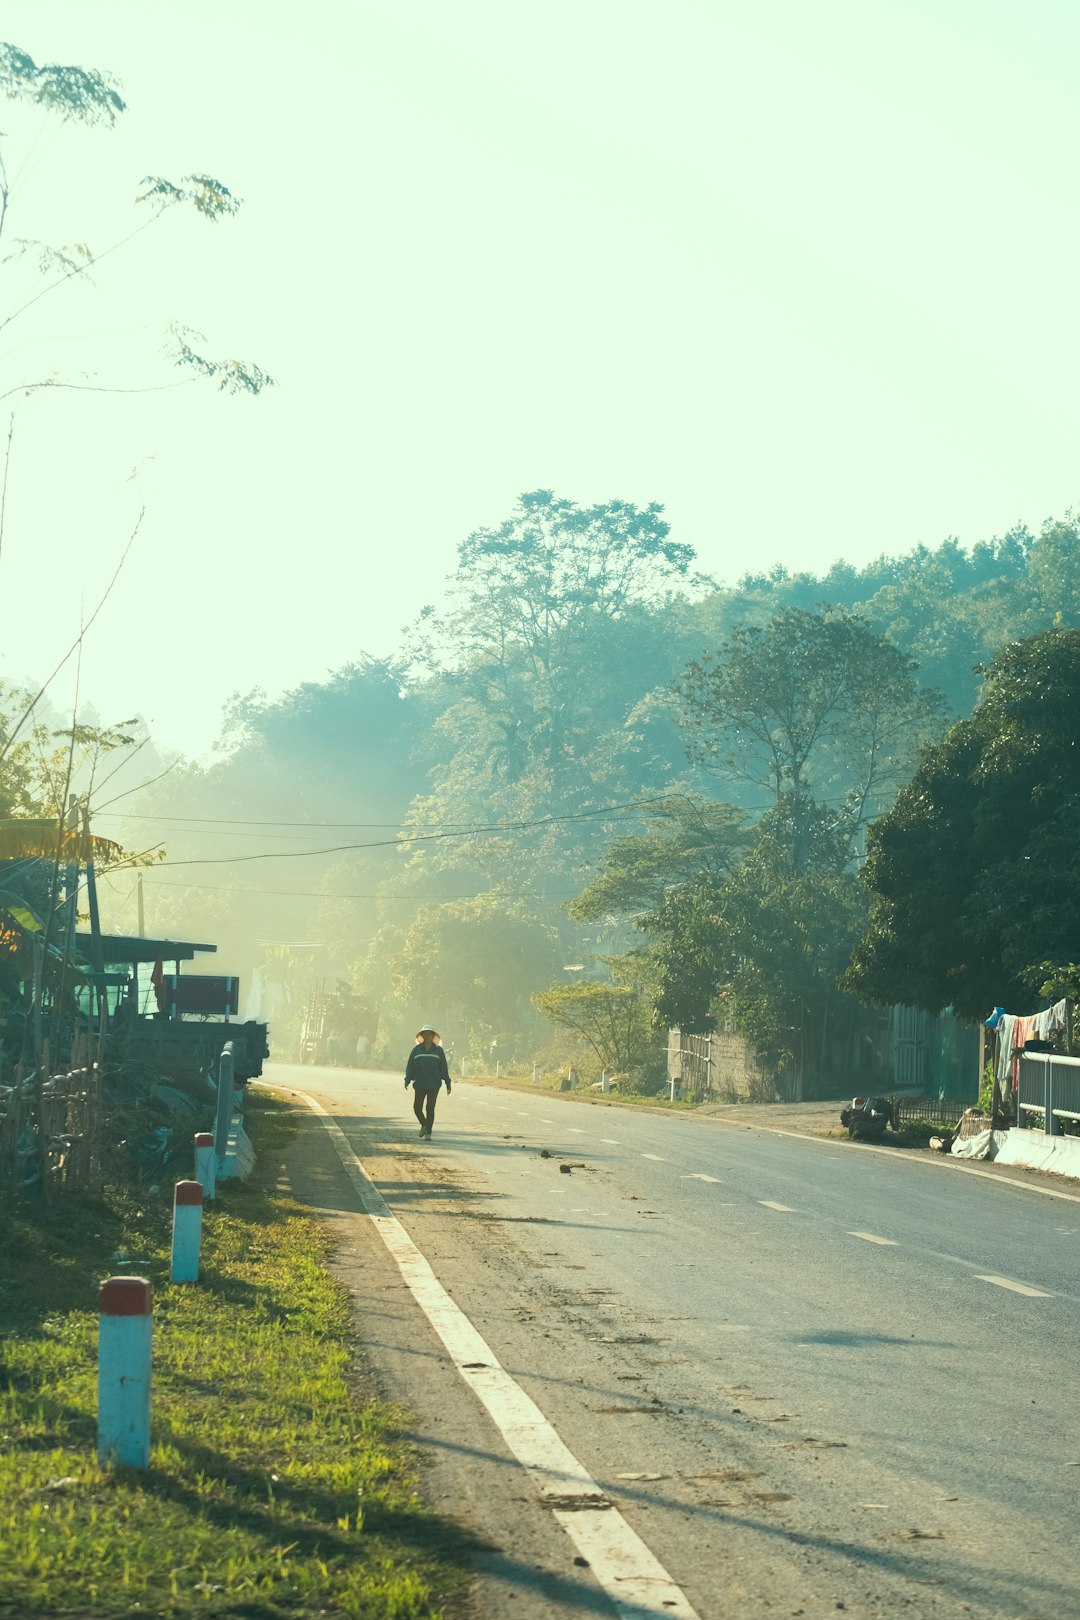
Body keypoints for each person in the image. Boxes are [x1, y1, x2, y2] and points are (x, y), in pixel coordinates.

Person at [404, 1024, 451, 1138]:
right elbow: (410, 1066)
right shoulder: (416, 1050)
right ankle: (424, 1125)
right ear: (422, 1036)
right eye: (425, 1034)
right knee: (417, 1108)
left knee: (430, 1108)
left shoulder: (438, 1051)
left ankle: (428, 1133)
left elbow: (443, 1068)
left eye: (430, 1034)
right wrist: (407, 1079)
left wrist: (448, 1083)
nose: (428, 1036)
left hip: (434, 1084)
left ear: (433, 1036)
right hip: (420, 1083)